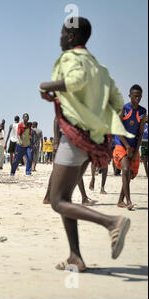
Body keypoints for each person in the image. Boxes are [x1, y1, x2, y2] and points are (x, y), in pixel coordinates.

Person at [39, 17, 132, 271]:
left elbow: (76, 81)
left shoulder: (72, 59)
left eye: (61, 34)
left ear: (70, 37)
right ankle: (75, 257)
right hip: (94, 141)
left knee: (57, 200)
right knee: (67, 198)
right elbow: (116, 100)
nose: (59, 38)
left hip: (74, 136)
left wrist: (46, 85)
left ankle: (112, 222)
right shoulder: (99, 67)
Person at [114, 85, 147, 210]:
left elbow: (140, 133)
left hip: (133, 146)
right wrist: (127, 146)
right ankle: (128, 201)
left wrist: (136, 149)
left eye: (139, 96)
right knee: (126, 169)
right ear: (130, 96)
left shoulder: (143, 111)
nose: (137, 98)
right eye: (135, 96)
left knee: (130, 173)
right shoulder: (123, 109)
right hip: (121, 143)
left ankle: (120, 201)